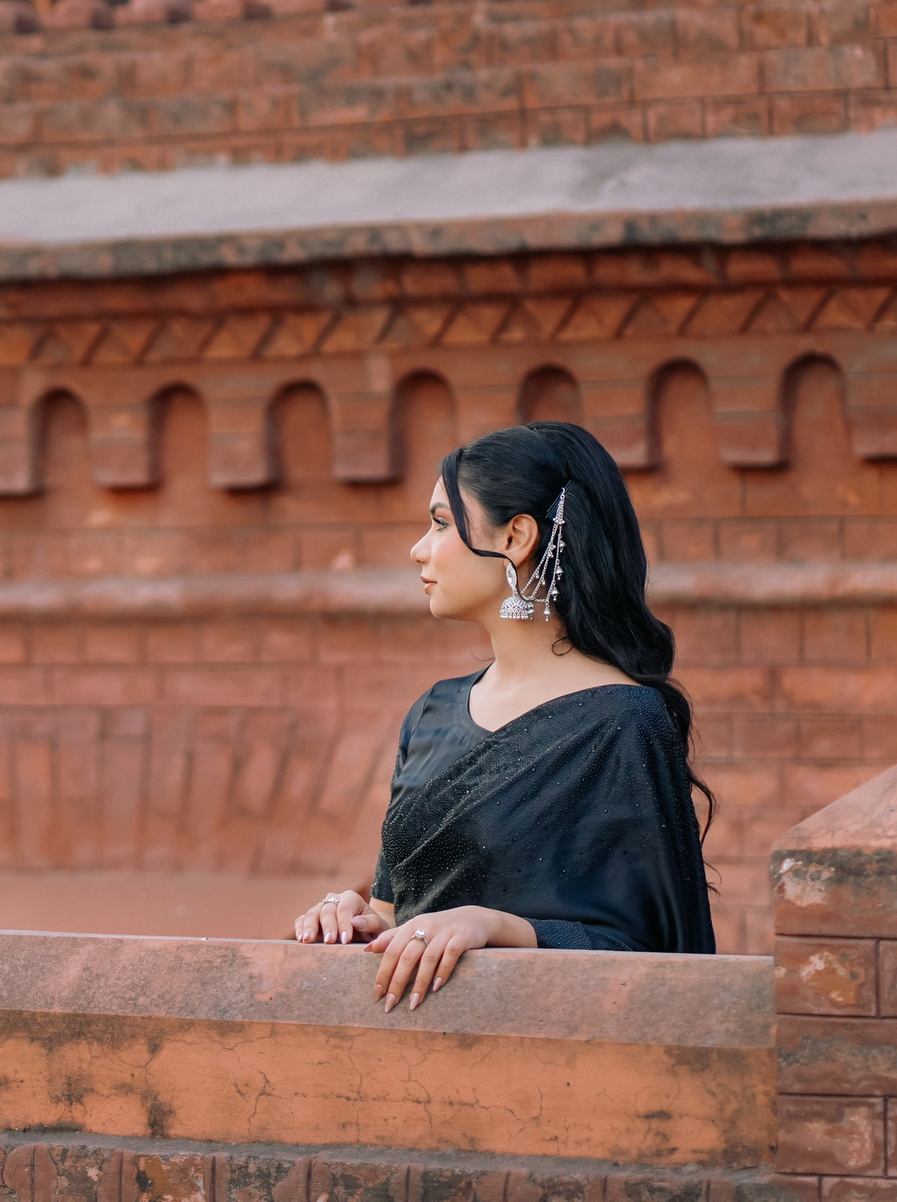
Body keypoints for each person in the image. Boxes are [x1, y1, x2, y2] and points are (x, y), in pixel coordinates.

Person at [293, 420, 714, 1008]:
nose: (419, 548)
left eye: (442, 523)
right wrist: (359, 919)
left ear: (517, 537)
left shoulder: (623, 722)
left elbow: (654, 958)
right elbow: (401, 908)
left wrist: (495, 926)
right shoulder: (434, 711)